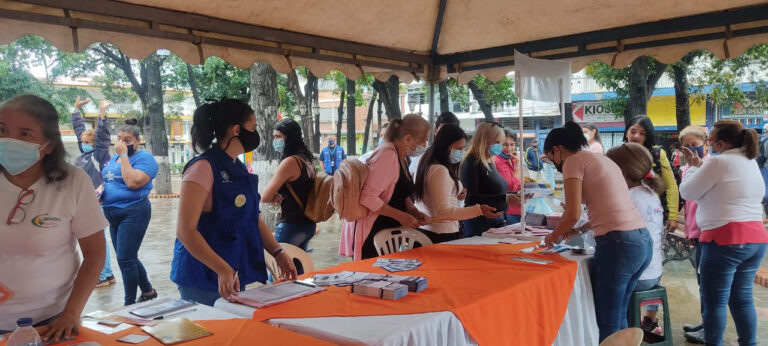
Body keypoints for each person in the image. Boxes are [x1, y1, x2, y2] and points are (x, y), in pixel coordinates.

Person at [0, 95, 107, 342]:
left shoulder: (73, 182)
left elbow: (95, 254)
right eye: (2, 129)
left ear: (48, 144)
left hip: (52, 323)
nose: (8, 140)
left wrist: (71, 313)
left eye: (24, 134)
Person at [171, 99, 296, 306]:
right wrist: (222, 268)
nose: (256, 134)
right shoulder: (203, 167)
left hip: (233, 270)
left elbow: (252, 219)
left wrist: (278, 251)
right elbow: (185, 231)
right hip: (202, 276)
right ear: (237, 129)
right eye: (253, 127)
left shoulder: (237, 168)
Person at [542, 121, 651, 342]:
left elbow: (572, 212)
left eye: (550, 157)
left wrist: (552, 237)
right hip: (640, 241)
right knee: (619, 315)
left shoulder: (573, 161)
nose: (554, 163)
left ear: (557, 150)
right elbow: (608, 205)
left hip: (618, 245)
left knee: (607, 320)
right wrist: (578, 230)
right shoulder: (602, 160)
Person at [679, 120, 768, 346]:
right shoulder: (750, 162)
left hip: (724, 239)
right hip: (756, 238)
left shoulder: (718, 163)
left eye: (709, 141)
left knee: (716, 301)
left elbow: (687, 192)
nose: (708, 145)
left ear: (721, 143)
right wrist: (700, 166)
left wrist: (690, 167)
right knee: (743, 298)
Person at [605, 143, 666, 340]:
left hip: (641, 275)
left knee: (600, 292)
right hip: (654, 270)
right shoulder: (648, 192)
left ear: (619, 171)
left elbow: (606, 235)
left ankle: (614, 338)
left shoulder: (627, 197)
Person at [351, 114, 431, 260]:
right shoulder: (388, 155)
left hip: (388, 230)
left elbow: (399, 192)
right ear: (407, 139)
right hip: (374, 232)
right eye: (423, 140)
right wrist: (401, 216)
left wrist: (413, 211)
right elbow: (367, 197)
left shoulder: (401, 155)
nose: (425, 145)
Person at [101, 118, 158, 306]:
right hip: (112, 213)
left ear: (138, 140)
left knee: (125, 259)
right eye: (119, 139)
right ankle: (148, 291)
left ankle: (129, 304)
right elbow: (111, 180)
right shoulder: (115, 158)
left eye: (127, 140)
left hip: (133, 211)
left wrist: (124, 156)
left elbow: (133, 182)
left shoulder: (144, 159)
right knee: (127, 258)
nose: (122, 143)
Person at [414, 123, 501, 243]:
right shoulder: (439, 170)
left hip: (431, 230)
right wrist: (479, 210)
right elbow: (442, 211)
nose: (461, 152)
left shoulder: (426, 161)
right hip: (439, 233)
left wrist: (457, 190)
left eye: (463, 148)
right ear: (445, 146)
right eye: (458, 149)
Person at [71, 97, 115, 288]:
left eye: (88, 141)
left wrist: (102, 114)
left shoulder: (99, 156)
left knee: (98, 241)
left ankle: (102, 276)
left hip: (99, 203)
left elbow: (103, 137)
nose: (84, 143)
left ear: (94, 144)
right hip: (87, 204)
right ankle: (109, 274)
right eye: (83, 141)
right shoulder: (83, 156)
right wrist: (75, 111)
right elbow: (80, 131)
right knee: (98, 239)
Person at [261, 119, 317, 254]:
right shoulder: (307, 159)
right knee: (298, 271)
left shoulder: (290, 162)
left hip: (291, 225)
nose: (275, 140)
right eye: (274, 136)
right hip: (308, 224)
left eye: (278, 136)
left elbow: (264, 197)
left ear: (290, 137)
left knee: (278, 271)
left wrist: (274, 195)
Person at [677, 125, 711, 343]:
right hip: (696, 231)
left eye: (695, 145)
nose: (690, 150)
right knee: (701, 282)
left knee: (708, 284)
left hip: (708, 232)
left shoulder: (709, 166)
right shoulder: (688, 168)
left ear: (706, 144)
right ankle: (705, 321)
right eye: (686, 146)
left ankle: (709, 328)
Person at [461, 122, 517, 237]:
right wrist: (505, 198)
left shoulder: (489, 160)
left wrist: (516, 195)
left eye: (501, 143)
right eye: (497, 142)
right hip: (479, 223)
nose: (500, 146)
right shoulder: (472, 161)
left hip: (496, 221)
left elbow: (493, 191)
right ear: (484, 140)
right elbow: (471, 197)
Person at [624, 116, 680, 232]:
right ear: (626, 133)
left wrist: (673, 216)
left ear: (648, 136)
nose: (636, 136)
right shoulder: (619, 153)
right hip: (624, 214)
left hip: (652, 215)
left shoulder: (657, 154)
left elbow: (671, 185)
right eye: (633, 131)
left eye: (642, 133)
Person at [409, 112, 459, 176]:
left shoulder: (458, 155)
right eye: (443, 131)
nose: (448, 135)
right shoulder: (423, 155)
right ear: (435, 131)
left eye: (452, 131)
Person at [494, 128, 522, 225]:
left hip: (520, 208)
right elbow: (511, 186)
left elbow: (520, 184)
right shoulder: (495, 161)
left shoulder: (514, 159)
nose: (509, 148)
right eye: (505, 144)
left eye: (512, 144)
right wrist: (518, 166)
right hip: (507, 211)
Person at [758, 123, 768, 220]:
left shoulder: (762, 139)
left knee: (765, 189)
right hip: (765, 167)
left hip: (763, 167)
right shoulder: (766, 140)